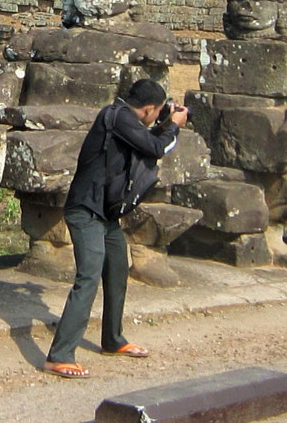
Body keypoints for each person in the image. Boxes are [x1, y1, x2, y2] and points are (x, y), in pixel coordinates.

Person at [44, 78, 187, 377]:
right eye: (156, 111)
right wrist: (173, 125)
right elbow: (156, 148)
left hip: (105, 213)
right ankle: (58, 355)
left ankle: (112, 339)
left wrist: (164, 122)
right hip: (85, 210)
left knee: (118, 269)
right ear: (149, 109)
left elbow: (145, 143)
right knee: (89, 277)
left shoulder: (125, 118)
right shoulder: (118, 116)